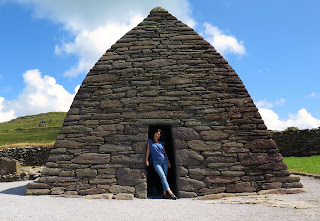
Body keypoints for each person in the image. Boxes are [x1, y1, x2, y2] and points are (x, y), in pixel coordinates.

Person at [145, 129, 177, 200]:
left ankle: (164, 194)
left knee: (164, 177)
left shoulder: (161, 143)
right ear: (154, 134)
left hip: (164, 161)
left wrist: (168, 162)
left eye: (159, 134)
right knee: (162, 176)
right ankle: (170, 193)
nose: (157, 136)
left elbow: (164, 153)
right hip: (156, 162)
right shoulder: (150, 142)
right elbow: (148, 151)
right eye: (156, 134)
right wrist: (146, 160)